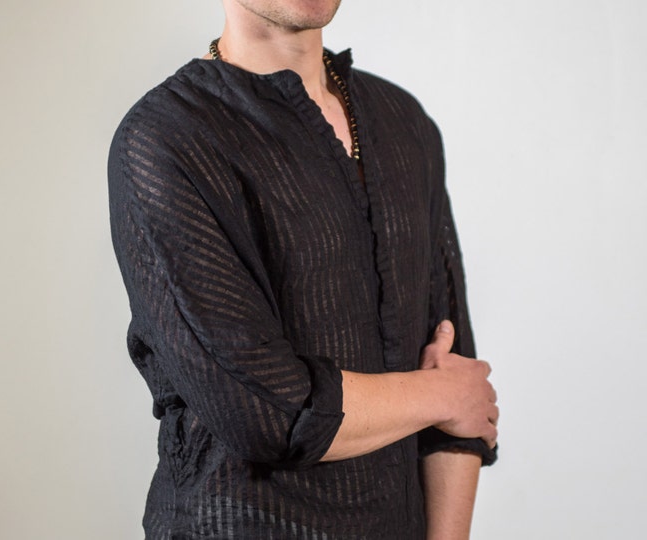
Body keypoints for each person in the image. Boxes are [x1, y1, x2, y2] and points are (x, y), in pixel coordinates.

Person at [108, 1, 499, 538]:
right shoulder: (166, 138)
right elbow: (266, 410)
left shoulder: (403, 122)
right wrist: (442, 397)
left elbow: (455, 366)